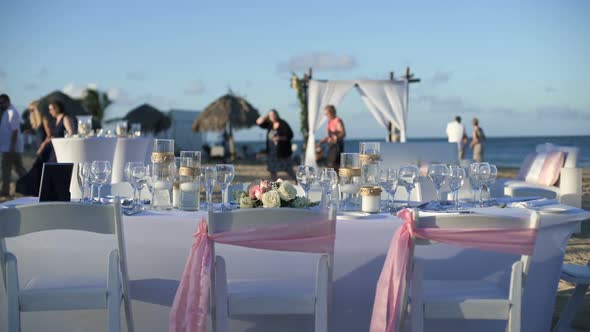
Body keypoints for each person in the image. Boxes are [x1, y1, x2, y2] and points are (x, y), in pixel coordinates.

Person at [16, 100, 75, 195]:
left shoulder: (64, 118)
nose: (50, 111)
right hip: (53, 149)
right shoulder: (57, 119)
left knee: (46, 170)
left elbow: (71, 134)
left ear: (57, 108)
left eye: (51, 109)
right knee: (42, 170)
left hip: (56, 150)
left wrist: (42, 146)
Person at [256, 109, 296, 181]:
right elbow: (258, 122)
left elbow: (290, 135)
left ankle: (297, 181)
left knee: (288, 169)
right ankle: (275, 186)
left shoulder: (283, 123)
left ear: (277, 115)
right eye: (270, 115)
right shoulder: (269, 124)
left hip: (282, 151)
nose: (272, 116)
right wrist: (266, 116)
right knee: (272, 170)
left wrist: (280, 138)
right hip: (271, 152)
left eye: (274, 114)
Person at [0, 94, 26, 196]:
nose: (0, 105)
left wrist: (12, 147)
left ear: (7, 101)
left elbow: (15, 131)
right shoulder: (8, 112)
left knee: (7, 169)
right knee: (18, 168)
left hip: (10, 147)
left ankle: (5, 191)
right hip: (9, 147)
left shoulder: (12, 112)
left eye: (1, 103)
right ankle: (31, 186)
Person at [320, 105, 345, 172]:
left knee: (335, 165)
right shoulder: (329, 122)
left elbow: (343, 133)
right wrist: (321, 142)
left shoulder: (338, 121)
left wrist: (336, 137)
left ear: (332, 112)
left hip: (337, 147)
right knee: (329, 165)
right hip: (331, 146)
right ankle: (334, 179)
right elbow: (328, 136)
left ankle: (338, 179)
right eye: (325, 114)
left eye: (327, 114)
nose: (326, 115)